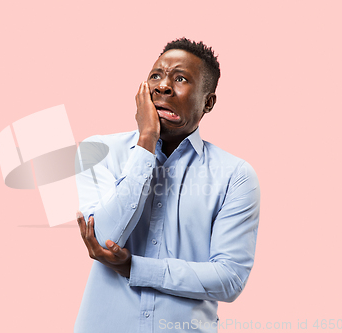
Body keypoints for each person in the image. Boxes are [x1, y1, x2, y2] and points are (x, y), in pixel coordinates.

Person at [74, 37, 260, 333]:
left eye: (181, 78)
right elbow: (104, 238)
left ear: (208, 102)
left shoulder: (235, 175)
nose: (163, 86)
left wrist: (135, 268)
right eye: (156, 76)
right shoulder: (97, 152)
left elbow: (229, 280)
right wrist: (146, 141)